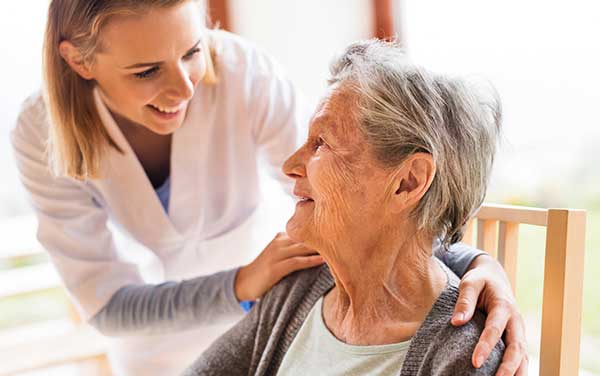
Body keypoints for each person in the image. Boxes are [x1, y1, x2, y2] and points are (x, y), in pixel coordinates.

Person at [11, 1, 526, 375]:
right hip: (173, 344)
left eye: (193, 50)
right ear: (80, 62)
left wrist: (475, 263)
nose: (185, 87)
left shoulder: (241, 73)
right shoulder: (39, 134)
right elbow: (108, 304)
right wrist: (242, 286)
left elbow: (369, 194)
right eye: (146, 71)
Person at [184, 40, 508, 376]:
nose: (291, 165)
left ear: (408, 182)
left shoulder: (465, 357)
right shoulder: (298, 288)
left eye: (321, 143)